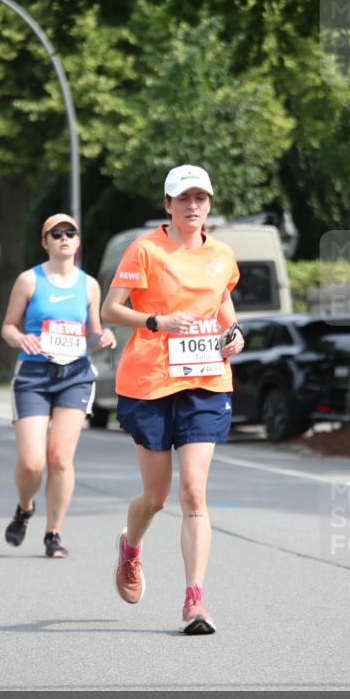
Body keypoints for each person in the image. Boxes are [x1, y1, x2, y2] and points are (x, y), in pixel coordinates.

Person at [101, 165, 245, 634]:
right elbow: (110, 308)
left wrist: (234, 332)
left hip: (205, 380)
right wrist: (156, 323)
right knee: (157, 497)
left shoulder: (222, 254)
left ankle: (194, 601)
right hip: (149, 381)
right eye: (183, 198)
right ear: (168, 205)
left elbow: (222, 300)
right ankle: (131, 548)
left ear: (209, 203)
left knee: (194, 492)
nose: (193, 206)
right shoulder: (144, 250)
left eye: (200, 198)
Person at [1, 213, 116, 558]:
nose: (64, 238)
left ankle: (54, 533)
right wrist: (21, 339)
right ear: (45, 242)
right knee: (32, 463)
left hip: (75, 376)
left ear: (78, 241)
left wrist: (103, 336)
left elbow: (93, 332)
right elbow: (8, 326)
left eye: (71, 232)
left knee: (61, 459)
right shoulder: (29, 281)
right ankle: (25, 508)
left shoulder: (89, 285)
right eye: (56, 233)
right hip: (34, 377)